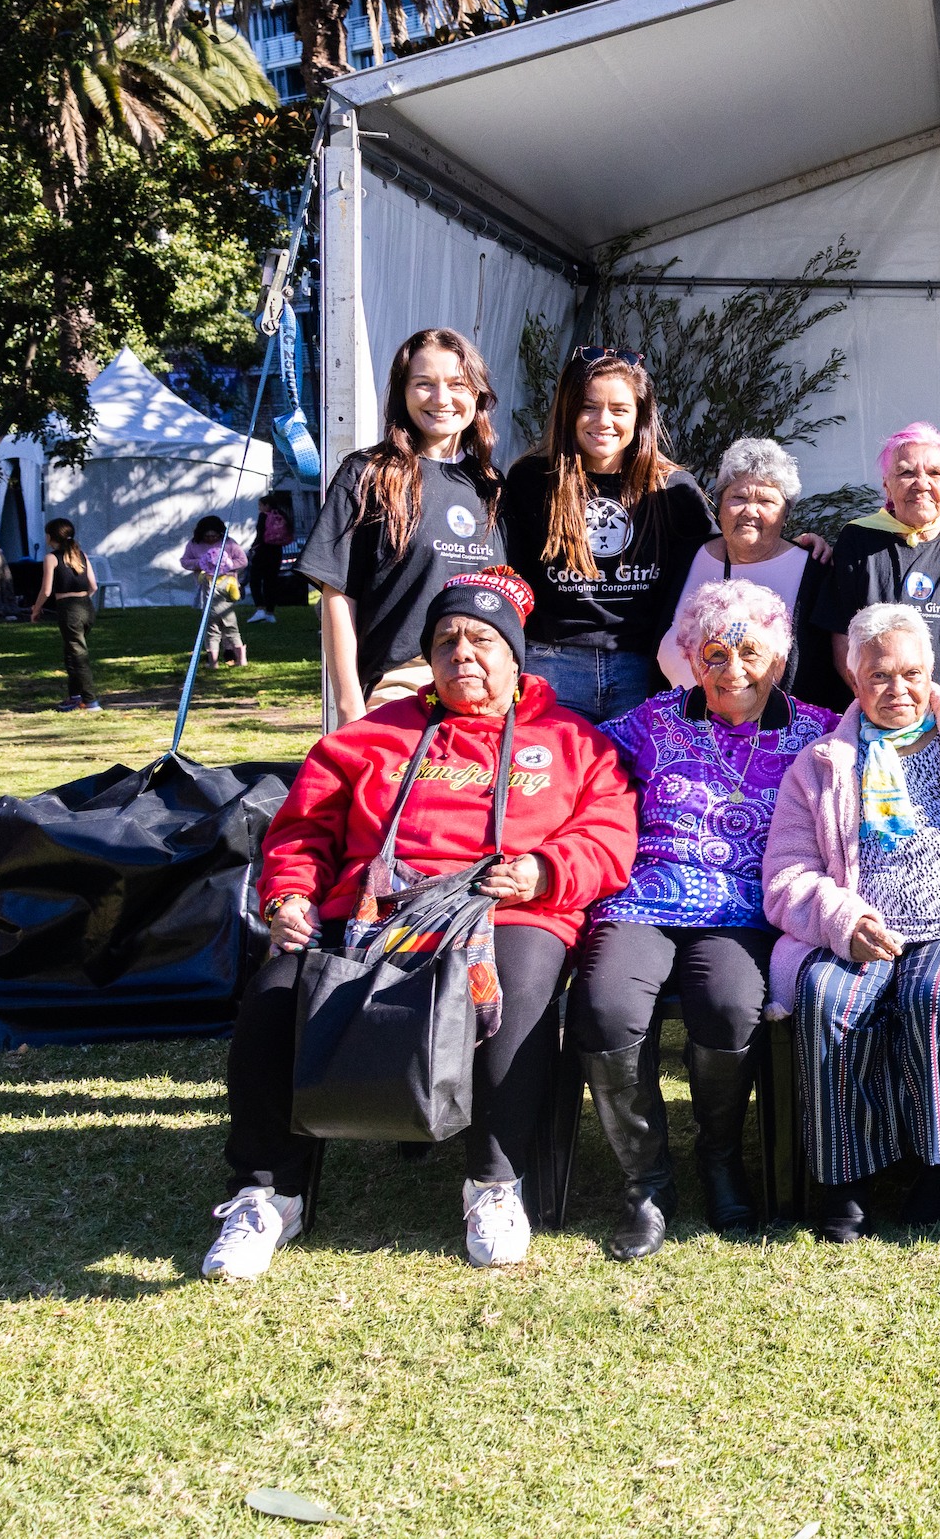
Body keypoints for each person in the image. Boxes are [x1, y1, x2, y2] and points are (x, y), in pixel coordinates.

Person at [200, 569, 638, 1281]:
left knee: (518, 991)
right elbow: (301, 831)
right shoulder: (368, 737)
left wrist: (544, 871)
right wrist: (289, 896)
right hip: (373, 909)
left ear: (515, 653)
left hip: (508, 905)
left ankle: (493, 1183)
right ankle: (266, 1192)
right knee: (275, 995)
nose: (463, 652)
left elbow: (609, 834)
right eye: (446, 639)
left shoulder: (572, 741)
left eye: (482, 639)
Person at [764, 605, 940, 1241]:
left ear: (932, 671)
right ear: (853, 676)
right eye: (880, 677)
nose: (898, 690)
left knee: (938, 999)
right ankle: (846, 1176)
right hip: (864, 924)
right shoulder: (821, 763)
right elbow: (786, 873)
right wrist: (843, 919)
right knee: (826, 994)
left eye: (912, 673)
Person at [576, 579, 837, 1260]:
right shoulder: (653, 718)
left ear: (777, 656)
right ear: (692, 659)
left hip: (742, 907)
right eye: (715, 653)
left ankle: (719, 1159)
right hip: (644, 897)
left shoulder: (816, 730)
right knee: (604, 1006)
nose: (733, 669)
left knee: (728, 1007)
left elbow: (893, 754)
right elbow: (576, 758)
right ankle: (645, 1183)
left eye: (750, 651)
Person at [301, 327, 505, 722]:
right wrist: (349, 709)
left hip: (485, 687)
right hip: (402, 685)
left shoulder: (493, 486)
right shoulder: (368, 475)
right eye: (424, 384)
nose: (441, 398)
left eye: (457, 384)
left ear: (477, 394)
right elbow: (337, 596)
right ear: (402, 392)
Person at [500, 348, 715, 724]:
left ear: (639, 416)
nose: (603, 421)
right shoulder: (531, 480)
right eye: (588, 406)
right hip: (551, 664)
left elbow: (722, 557)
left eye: (619, 409)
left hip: (643, 669)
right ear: (568, 411)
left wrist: (796, 548)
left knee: (632, 782)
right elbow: (504, 574)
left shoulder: (672, 488)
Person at [797, 422, 940, 720]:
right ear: (887, 485)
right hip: (882, 722)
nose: (921, 483)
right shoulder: (857, 539)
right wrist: (882, 708)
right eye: (906, 472)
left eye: (935, 473)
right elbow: (841, 639)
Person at [655, 438, 830, 698]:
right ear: (719, 505)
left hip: (775, 735)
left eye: (766, 501)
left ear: (786, 514)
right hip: (678, 731)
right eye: (738, 497)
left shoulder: (817, 572)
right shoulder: (683, 557)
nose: (750, 510)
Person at [27, 517, 100, 712]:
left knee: (78, 654)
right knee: (71, 652)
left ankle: (90, 700)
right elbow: (93, 585)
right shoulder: (81, 555)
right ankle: (75, 696)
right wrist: (83, 600)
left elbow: (47, 590)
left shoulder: (51, 558)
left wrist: (36, 609)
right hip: (86, 606)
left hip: (68, 609)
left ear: (50, 537)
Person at [180, 515, 250, 669]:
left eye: (215, 535)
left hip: (227, 588)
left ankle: (228, 651)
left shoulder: (229, 543)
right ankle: (220, 655)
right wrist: (202, 564)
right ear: (201, 534)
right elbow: (184, 561)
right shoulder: (194, 545)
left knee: (226, 625)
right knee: (215, 626)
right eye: (208, 536)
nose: (211, 538)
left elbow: (243, 561)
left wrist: (224, 567)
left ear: (221, 534)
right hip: (206, 589)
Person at [245, 491, 295, 623]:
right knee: (270, 582)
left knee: (255, 580)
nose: (259, 508)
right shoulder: (282, 515)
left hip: (263, 551)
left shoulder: (264, 516)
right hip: (277, 551)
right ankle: (270, 613)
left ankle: (259, 609)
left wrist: (253, 547)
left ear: (267, 505)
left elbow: (260, 534)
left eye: (260, 505)